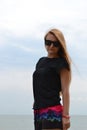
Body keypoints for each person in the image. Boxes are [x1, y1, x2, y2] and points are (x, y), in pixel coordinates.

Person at [32, 28, 71, 130]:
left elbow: (65, 90)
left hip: (52, 112)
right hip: (38, 112)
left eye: (55, 43)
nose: (51, 46)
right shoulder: (40, 62)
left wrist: (66, 116)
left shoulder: (62, 64)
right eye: (48, 42)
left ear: (60, 45)